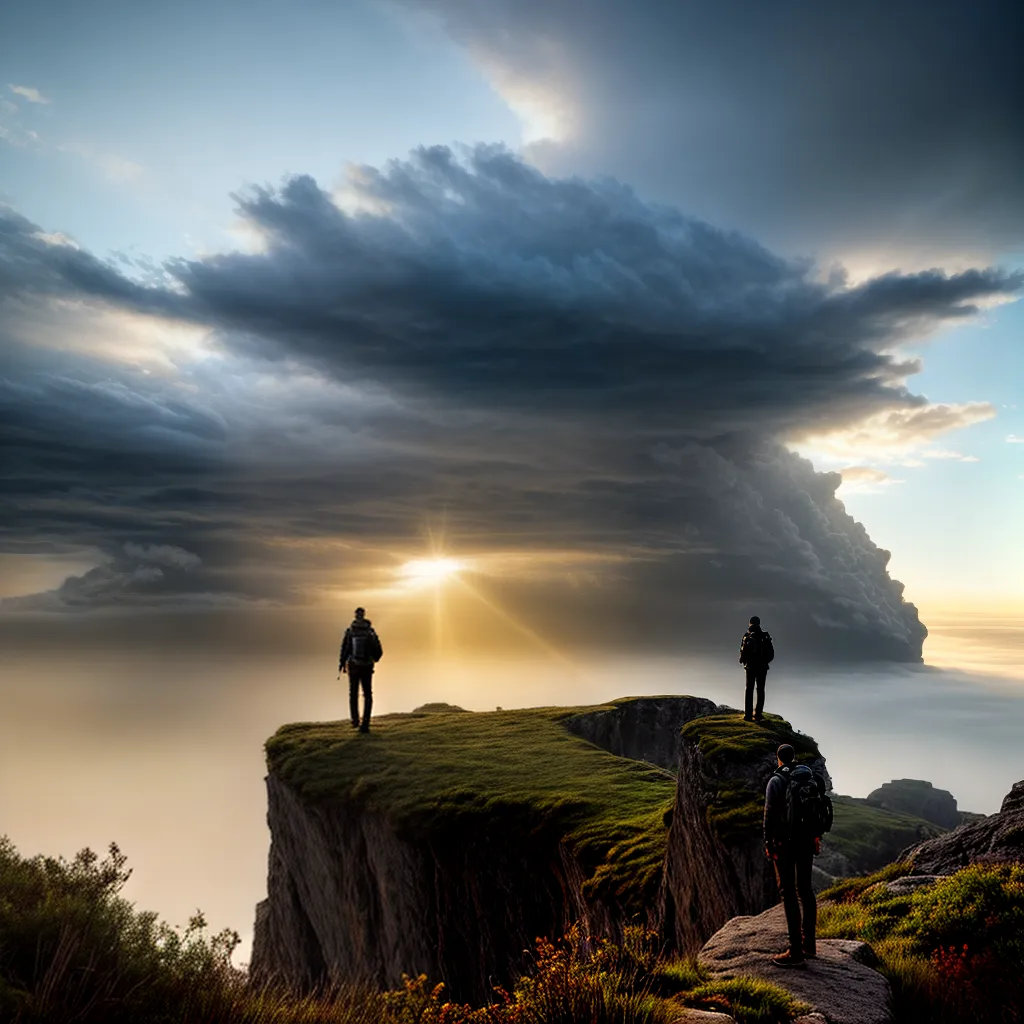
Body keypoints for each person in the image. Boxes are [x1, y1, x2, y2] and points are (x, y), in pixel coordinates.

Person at [763, 743, 825, 968]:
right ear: (794, 757)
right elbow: (819, 809)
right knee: (806, 890)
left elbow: (769, 816)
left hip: (785, 844)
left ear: (778, 759)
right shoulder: (809, 778)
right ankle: (809, 945)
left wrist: (769, 843)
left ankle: (795, 952)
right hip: (807, 841)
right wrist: (816, 836)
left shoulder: (776, 781)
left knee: (788, 893)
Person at [338, 607, 383, 733]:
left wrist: (342, 663)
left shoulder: (350, 631)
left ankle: (355, 721)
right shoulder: (370, 632)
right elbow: (379, 651)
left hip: (354, 666)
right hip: (367, 667)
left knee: (353, 694)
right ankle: (366, 724)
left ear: (355, 616)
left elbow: (345, 649)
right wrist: (373, 660)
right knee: (367, 694)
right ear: (364, 615)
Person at [739, 615, 774, 722]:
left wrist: (745, 662)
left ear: (750, 623)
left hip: (749, 667)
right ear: (759, 624)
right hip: (762, 667)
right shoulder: (764, 636)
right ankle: (758, 714)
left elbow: (742, 653)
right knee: (760, 690)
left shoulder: (746, 636)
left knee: (749, 690)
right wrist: (764, 662)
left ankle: (748, 715)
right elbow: (771, 653)